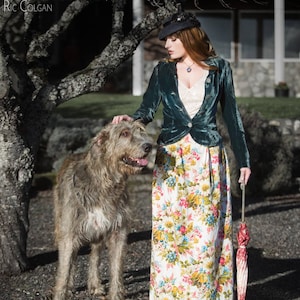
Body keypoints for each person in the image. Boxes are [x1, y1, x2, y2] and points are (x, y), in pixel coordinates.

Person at [112, 10, 251, 300]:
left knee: (205, 231)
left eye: (173, 38)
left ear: (188, 37)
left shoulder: (219, 68)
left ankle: (203, 294)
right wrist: (131, 120)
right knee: (171, 232)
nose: (167, 44)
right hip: (172, 159)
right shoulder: (162, 71)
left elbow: (232, 117)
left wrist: (244, 161)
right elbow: (147, 110)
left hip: (207, 159)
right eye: (166, 39)